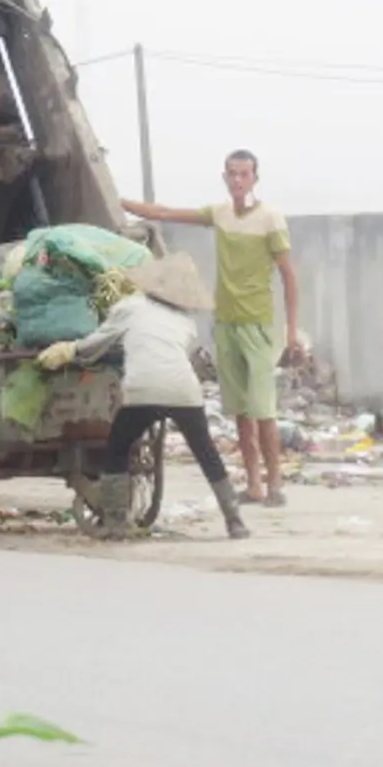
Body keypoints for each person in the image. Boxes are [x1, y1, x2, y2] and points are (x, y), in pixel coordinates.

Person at [120, 149, 301, 507]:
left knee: (264, 410)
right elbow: (165, 213)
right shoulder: (219, 214)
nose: (237, 180)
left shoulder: (271, 219)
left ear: (255, 178)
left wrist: (291, 329)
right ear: (225, 177)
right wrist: (122, 202)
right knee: (241, 412)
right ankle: (253, 485)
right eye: (232, 174)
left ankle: (275, 482)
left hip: (260, 324)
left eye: (244, 174)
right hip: (227, 323)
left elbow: (289, 276)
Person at [37, 252, 250, 540]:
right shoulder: (187, 322)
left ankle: (115, 521)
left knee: (118, 446)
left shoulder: (131, 307)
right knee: (206, 453)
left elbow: (98, 342)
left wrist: (70, 350)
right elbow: (179, 353)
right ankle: (235, 520)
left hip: (144, 388)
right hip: (184, 390)